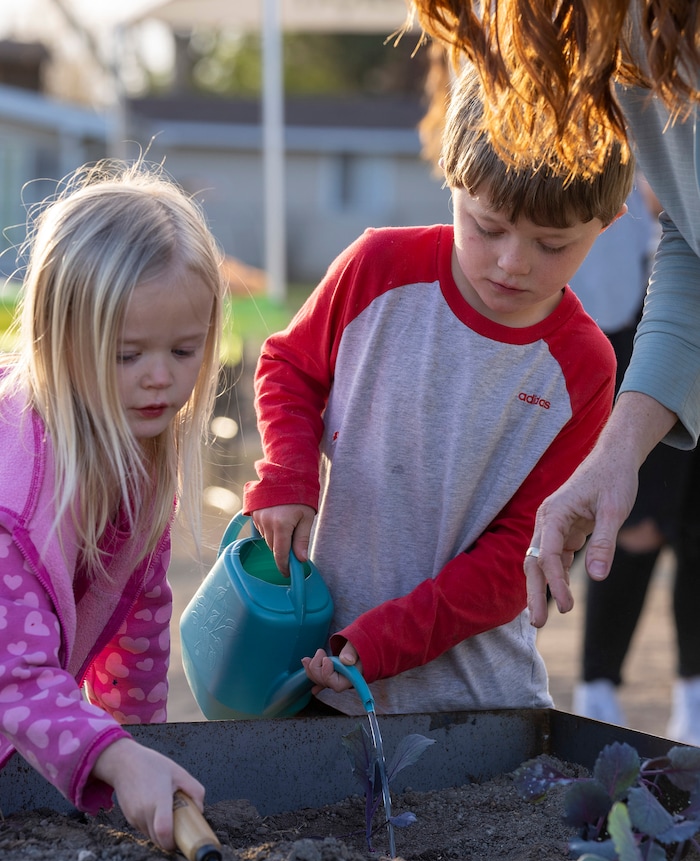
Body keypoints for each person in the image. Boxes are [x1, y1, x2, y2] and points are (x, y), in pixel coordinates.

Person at [242, 64, 632, 715]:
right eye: (488, 226)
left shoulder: (583, 365)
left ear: (608, 223)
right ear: (451, 177)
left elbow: (519, 557)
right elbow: (289, 366)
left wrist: (380, 642)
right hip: (319, 669)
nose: (513, 261)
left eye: (552, 243)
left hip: (477, 704)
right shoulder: (375, 269)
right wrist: (287, 474)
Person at [409, 1, 700, 631]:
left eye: (551, 244)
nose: (512, 265)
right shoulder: (627, 44)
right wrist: (617, 454)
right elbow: (695, 236)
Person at [0, 159, 223, 848]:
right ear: (59, 342)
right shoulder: (14, 491)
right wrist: (119, 760)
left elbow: (140, 619)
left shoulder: (136, 453)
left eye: (185, 350)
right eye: (128, 355)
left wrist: (140, 756)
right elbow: (15, 672)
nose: (161, 377)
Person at [568, 179, 700, 737]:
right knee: (633, 532)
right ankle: (597, 687)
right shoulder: (623, 230)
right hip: (636, 388)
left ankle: (692, 695)